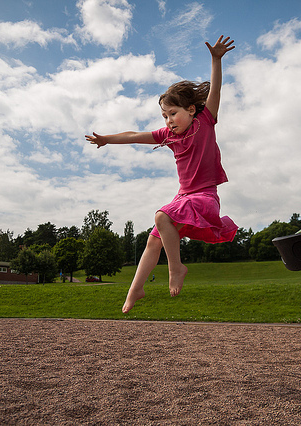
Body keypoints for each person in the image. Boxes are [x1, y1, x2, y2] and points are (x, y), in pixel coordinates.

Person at [86, 36, 238, 313]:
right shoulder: (167, 136)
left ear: (191, 110)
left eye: (173, 113)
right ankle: (135, 290)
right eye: (164, 116)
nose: (168, 121)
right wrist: (107, 139)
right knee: (153, 239)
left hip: (205, 196)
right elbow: (134, 135)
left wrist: (216, 60)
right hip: (183, 196)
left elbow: (215, 90)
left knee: (161, 216)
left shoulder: (206, 120)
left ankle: (176, 267)